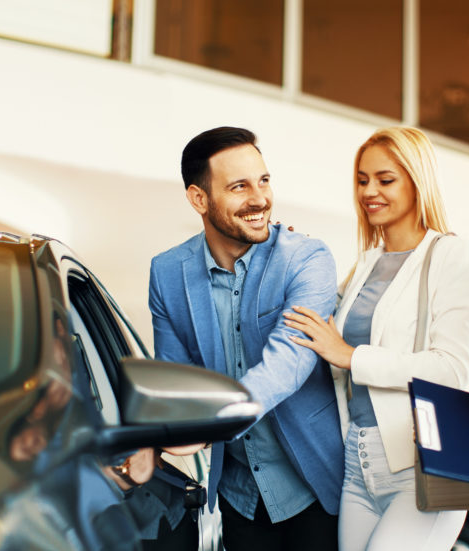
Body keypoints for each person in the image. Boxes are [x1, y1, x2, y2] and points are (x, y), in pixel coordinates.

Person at [283, 126, 469, 550]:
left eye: (385, 179)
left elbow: (452, 368)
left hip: (421, 463)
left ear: (418, 182)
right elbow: (322, 343)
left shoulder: (451, 254)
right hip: (357, 466)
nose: (369, 191)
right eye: (362, 180)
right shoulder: (364, 265)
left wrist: (351, 355)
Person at [148, 126, 343, 550]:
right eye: (239, 186)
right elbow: (176, 380)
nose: (260, 199)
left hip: (315, 486)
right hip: (238, 496)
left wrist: (211, 422)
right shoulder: (166, 273)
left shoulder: (308, 259)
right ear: (199, 198)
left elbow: (287, 362)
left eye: (264, 181)